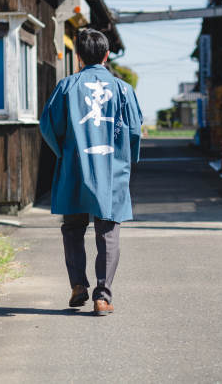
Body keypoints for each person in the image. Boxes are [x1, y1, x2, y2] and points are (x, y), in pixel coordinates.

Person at [40, 28, 142, 316]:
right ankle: (102, 296)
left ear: (79, 58)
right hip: (112, 170)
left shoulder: (67, 87)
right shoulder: (123, 89)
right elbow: (134, 130)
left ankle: (77, 286)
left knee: (73, 227)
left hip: (75, 167)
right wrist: (127, 158)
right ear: (107, 56)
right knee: (108, 231)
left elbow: (48, 126)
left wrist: (64, 152)